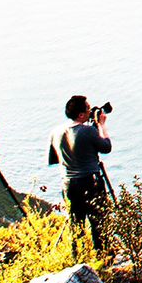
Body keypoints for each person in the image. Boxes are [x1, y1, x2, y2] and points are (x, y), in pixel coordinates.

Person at [51, 94, 114, 251]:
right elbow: (106, 147)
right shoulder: (88, 131)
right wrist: (101, 125)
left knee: (76, 224)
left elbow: (54, 158)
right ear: (80, 114)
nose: (89, 112)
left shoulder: (56, 132)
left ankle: (78, 257)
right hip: (89, 182)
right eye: (88, 109)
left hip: (68, 184)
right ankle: (104, 258)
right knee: (99, 222)